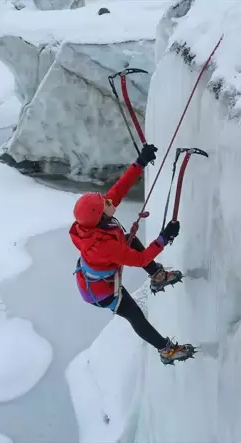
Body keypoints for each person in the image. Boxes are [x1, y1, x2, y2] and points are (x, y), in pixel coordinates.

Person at [69, 143, 196, 365]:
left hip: (96, 277)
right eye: (105, 202)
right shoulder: (103, 245)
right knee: (135, 316)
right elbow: (140, 259)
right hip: (102, 293)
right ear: (99, 215)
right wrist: (163, 239)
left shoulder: (97, 220)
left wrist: (140, 163)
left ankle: (157, 277)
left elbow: (119, 189)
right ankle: (166, 350)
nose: (110, 200)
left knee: (131, 239)